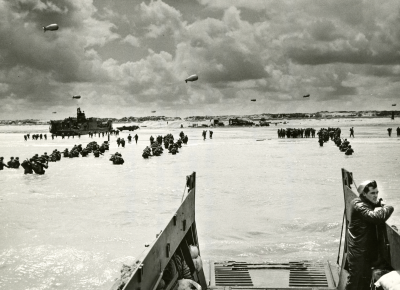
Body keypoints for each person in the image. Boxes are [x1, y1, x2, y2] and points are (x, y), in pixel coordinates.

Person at [345, 180, 394, 290]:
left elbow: (370, 204)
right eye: (372, 193)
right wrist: (388, 207)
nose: (376, 195)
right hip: (358, 254)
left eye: (377, 192)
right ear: (364, 194)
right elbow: (376, 218)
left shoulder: (360, 202)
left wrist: (378, 202)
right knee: (355, 283)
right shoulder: (358, 206)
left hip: (364, 252)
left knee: (364, 283)